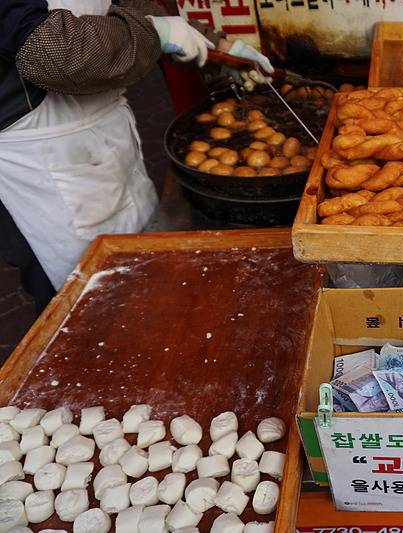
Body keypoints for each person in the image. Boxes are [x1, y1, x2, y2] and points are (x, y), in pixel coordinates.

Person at [0, 0, 273, 314]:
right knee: (82, 305)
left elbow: (121, 5)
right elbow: (55, 52)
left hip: (103, 133)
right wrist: (156, 34)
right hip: (37, 159)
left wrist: (215, 43)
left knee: (144, 264)